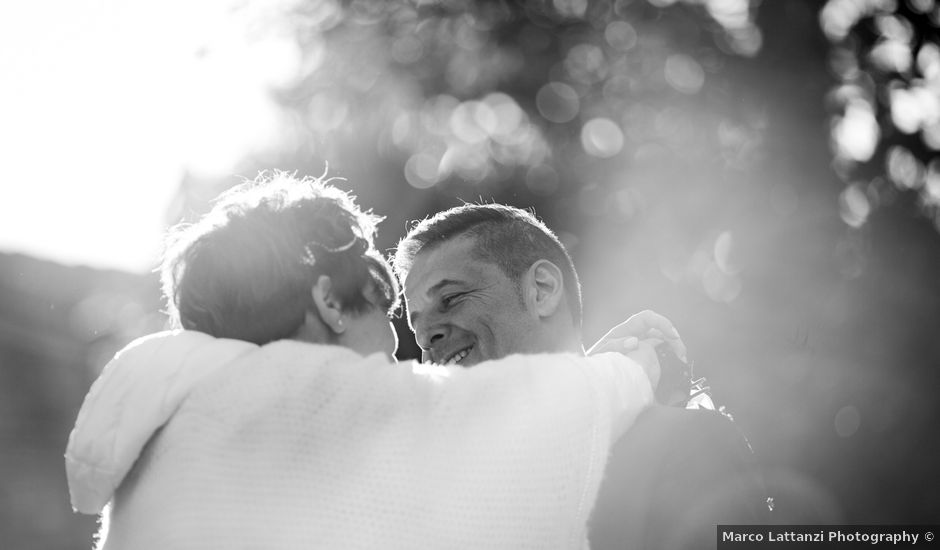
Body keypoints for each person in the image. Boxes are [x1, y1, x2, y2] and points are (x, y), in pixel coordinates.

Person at [65, 171, 660, 550]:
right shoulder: (304, 395)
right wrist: (635, 367)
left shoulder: (175, 410)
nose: (410, 347)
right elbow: (509, 421)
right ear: (330, 300)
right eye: (387, 304)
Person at [394, 203, 772, 550]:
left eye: (451, 299)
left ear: (541, 290)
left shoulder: (686, 445)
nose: (427, 337)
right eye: (417, 327)